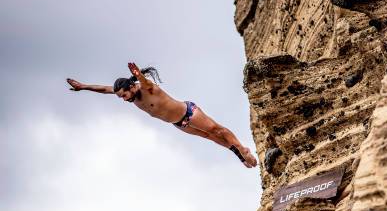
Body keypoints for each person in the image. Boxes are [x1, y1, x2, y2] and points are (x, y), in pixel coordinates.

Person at [66, 63, 258, 168]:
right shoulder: (130, 97)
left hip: (189, 112)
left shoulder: (148, 89)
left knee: (216, 130)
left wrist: (137, 73)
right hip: (179, 123)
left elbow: (144, 80)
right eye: (120, 97)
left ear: (131, 87)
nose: (123, 99)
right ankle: (238, 154)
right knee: (210, 137)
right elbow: (104, 89)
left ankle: (241, 149)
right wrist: (83, 87)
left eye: (124, 95)